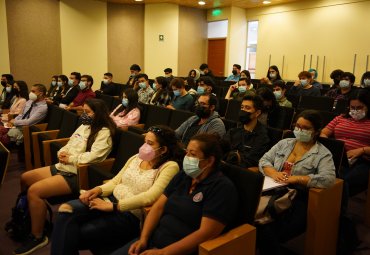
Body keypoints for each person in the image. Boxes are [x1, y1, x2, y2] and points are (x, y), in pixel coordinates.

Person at [50, 125, 183, 255]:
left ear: (163, 149)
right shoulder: (137, 157)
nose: (144, 146)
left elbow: (150, 197)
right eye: (144, 142)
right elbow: (116, 181)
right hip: (109, 200)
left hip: (129, 213)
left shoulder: (170, 167)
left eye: (150, 143)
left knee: (74, 233)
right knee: (66, 210)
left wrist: (114, 206)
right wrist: (97, 190)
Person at [13, 98, 116, 255]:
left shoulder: (104, 132)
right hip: (64, 165)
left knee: (34, 191)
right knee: (26, 177)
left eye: (87, 112)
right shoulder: (84, 125)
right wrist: (61, 153)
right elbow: (70, 143)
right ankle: (29, 216)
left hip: (77, 172)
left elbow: (95, 157)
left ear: (98, 113)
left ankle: (37, 236)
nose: (83, 115)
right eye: (83, 111)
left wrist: (71, 159)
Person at [111, 133, 238, 255]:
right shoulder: (184, 175)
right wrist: (143, 239)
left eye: (192, 154)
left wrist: (163, 252)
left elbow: (206, 233)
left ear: (209, 161)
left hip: (178, 251)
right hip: (153, 241)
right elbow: (158, 207)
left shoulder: (221, 188)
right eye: (186, 152)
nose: (186, 157)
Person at [257, 110, 336, 255]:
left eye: (305, 128)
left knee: (266, 229)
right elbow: (264, 160)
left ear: (317, 131)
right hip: (273, 189)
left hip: (298, 197)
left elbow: (329, 179)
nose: (300, 130)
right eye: (298, 126)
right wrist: (274, 173)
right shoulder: (284, 143)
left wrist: (297, 178)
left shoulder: (322, 153)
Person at [321, 90, 370, 198]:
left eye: (360, 107)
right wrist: (329, 143)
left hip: (363, 160)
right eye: (352, 108)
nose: (355, 111)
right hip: (339, 157)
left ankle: (337, 210)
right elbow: (324, 133)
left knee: (342, 182)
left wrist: (362, 150)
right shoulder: (341, 118)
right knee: (321, 176)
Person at [223, 95, 270, 168]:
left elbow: (250, 161)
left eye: (247, 108)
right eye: (242, 107)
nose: (243, 110)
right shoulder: (233, 130)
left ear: (257, 113)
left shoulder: (262, 137)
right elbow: (221, 150)